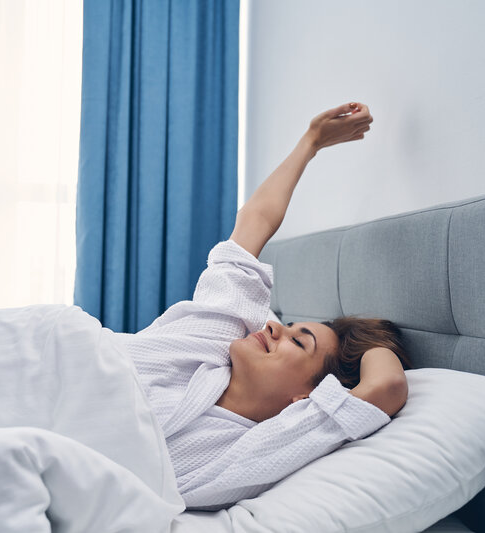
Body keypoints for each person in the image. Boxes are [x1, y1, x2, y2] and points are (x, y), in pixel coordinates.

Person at [114, 102, 412, 510]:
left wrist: (367, 342)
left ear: (307, 398)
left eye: (297, 341)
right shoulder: (215, 336)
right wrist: (311, 143)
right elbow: (254, 222)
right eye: (289, 327)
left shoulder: (260, 446)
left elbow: (386, 387)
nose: (273, 329)